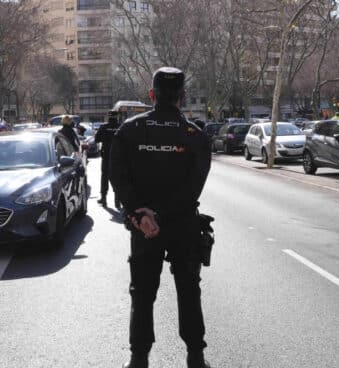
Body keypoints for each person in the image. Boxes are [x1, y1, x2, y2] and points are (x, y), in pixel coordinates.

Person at [110, 67, 213, 368]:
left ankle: (138, 358)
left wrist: (139, 214)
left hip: (144, 227)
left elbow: (118, 176)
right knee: (189, 290)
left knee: (142, 293)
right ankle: (195, 356)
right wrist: (166, 214)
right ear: (183, 97)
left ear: (152, 95)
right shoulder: (195, 136)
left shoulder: (129, 130)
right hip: (183, 224)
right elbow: (195, 185)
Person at [95, 110, 121, 209]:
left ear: (108, 116)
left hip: (106, 156)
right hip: (118, 157)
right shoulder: (121, 126)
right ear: (117, 117)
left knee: (104, 177)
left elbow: (97, 139)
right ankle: (117, 201)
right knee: (117, 178)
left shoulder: (103, 127)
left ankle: (104, 199)